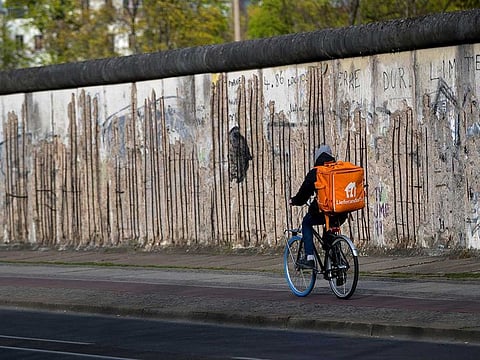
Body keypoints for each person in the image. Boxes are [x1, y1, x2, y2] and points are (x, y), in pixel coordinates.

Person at [289, 145, 347, 268]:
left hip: (324, 213)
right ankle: (338, 262)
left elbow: (303, 194)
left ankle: (309, 257)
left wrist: (294, 201)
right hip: (342, 212)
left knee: (306, 223)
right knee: (329, 235)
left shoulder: (316, 173)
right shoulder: (339, 170)